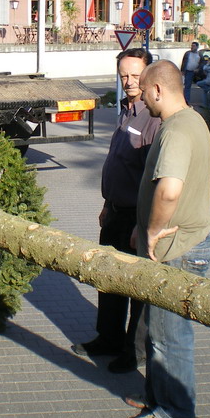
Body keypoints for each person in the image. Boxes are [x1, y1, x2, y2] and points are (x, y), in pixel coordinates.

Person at [125, 60, 210, 418]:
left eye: (144, 92)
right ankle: (157, 395)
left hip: (179, 249)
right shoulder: (190, 120)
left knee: (169, 335)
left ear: (158, 90)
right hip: (181, 244)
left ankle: (175, 409)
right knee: (158, 330)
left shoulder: (177, 130)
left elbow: (169, 190)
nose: (142, 100)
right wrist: (141, 225)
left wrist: (152, 230)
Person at [71, 48, 160, 374]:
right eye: (124, 75)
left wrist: (142, 224)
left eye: (136, 75)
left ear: (149, 75)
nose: (129, 81)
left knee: (136, 286)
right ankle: (108, 338)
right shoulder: (126, 110)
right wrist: (107, 204)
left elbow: (154, 179)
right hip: (115, 211)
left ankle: (133, 352)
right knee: (108, 279)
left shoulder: (154, 117)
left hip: (137, 218)